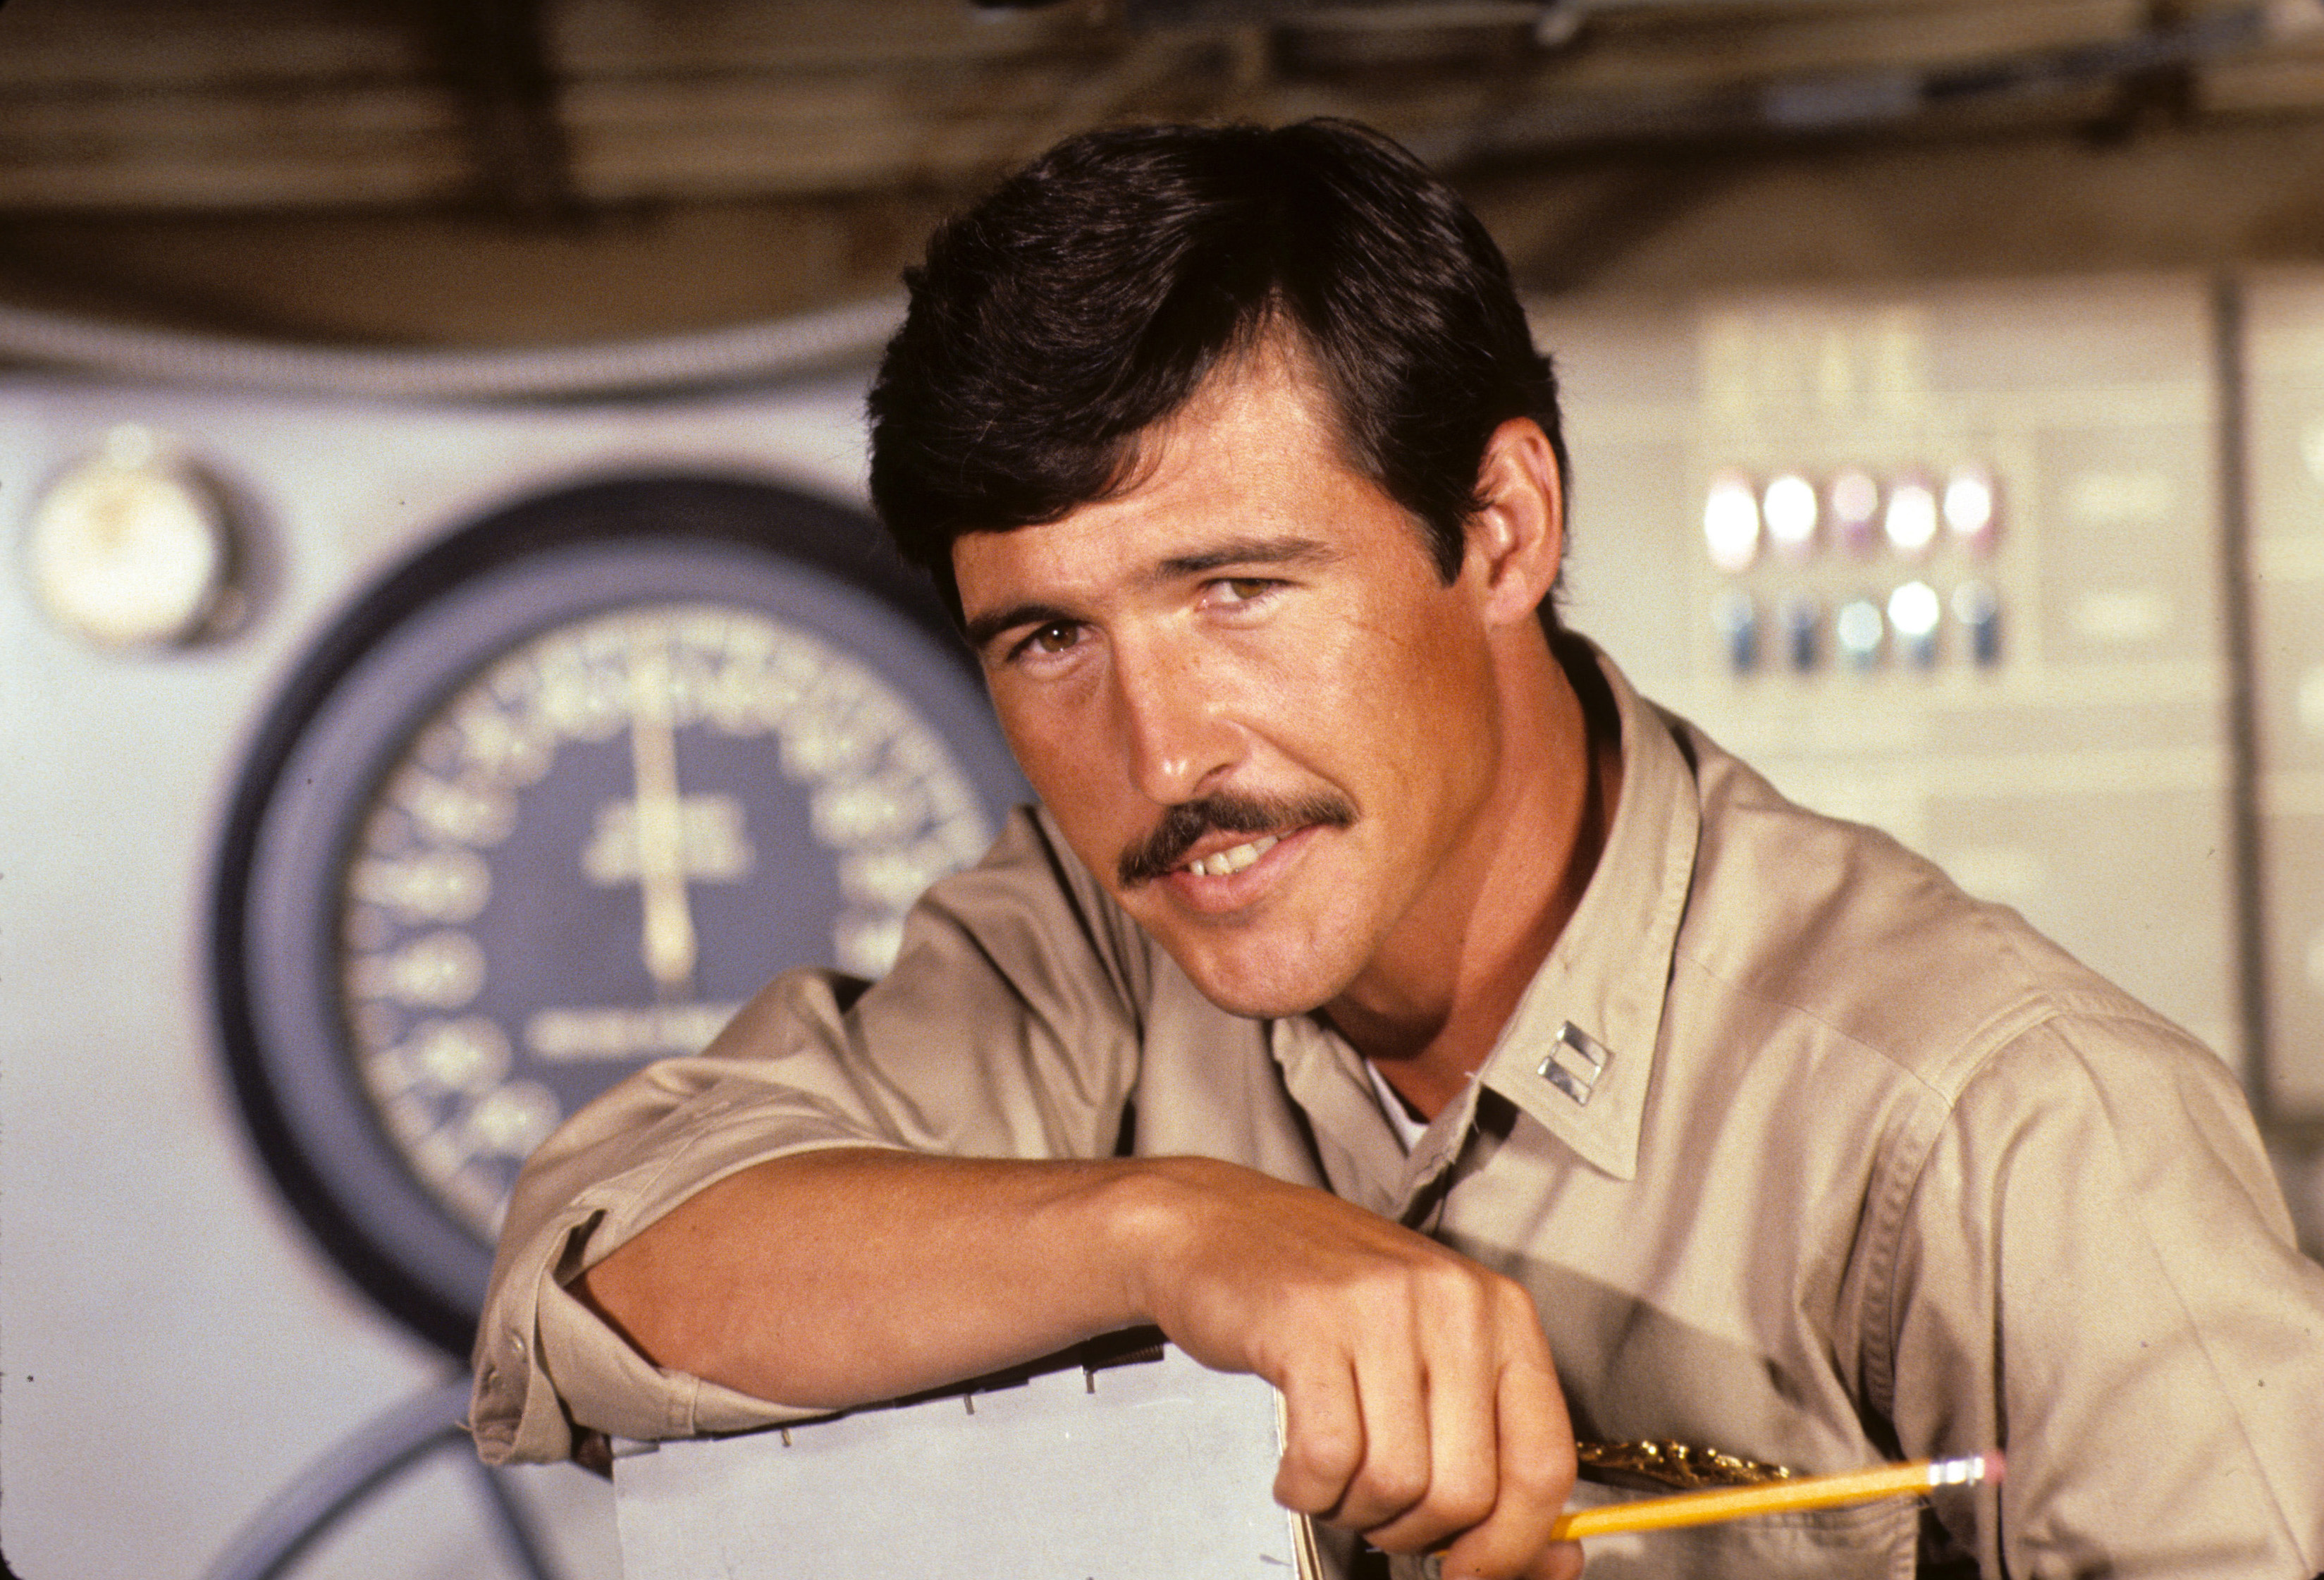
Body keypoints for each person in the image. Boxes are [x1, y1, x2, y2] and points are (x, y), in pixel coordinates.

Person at [469, 120, 2324, 1579]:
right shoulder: (1087, 951)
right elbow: (595, 1273)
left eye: (1236, 590)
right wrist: (1183, 1233)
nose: (1162, 754)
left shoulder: (2010, 1129)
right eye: (1049, 639)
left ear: (1499, 529)